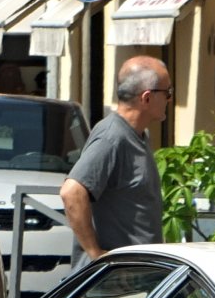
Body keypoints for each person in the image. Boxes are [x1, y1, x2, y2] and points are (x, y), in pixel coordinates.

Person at [60, 55, 170, 264]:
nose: (170, 99)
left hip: (135, 275)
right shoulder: (112, 137)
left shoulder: (139, 135)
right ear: (146, 98)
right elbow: (72, 192)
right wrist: (96, 254)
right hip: (114, 285)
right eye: (167, 93)